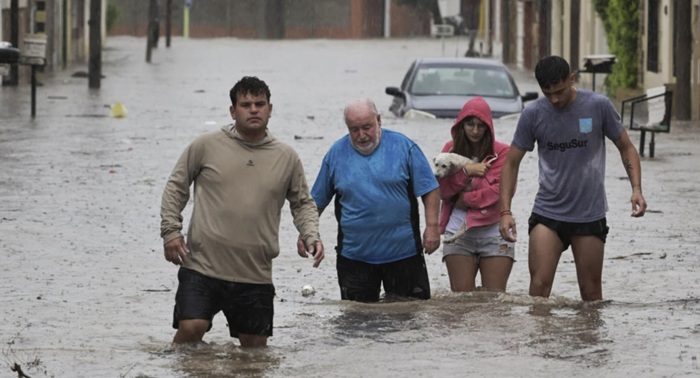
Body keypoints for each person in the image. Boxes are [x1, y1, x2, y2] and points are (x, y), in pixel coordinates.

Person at [160, 76, 324, 348]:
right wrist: (170, 232)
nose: (254, 109)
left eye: (260, 104)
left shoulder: (286, 157)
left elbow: (302, 203)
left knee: (254, 354)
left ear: (270, 109)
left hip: (254, 273)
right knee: (191, 329)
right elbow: (176, 187)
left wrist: (311, 235)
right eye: (246, 104)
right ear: (233, 111)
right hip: (203, 266)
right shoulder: (205, 146)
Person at [499, 56, 647, 301]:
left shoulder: (598, 105)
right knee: (538, 290)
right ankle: (539, 340)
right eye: (548, 94)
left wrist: (637, 188)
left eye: (560, 91)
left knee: (591, 294)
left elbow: (626, 147)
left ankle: (588, 339)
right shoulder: (533, 114)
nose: (555, 99)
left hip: (589, 214)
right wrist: (505, 211)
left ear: (571, 79)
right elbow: (511, 162)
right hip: (548, 213)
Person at [303, 99, 440, 302]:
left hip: (404, 254)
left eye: (367, 127)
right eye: (354, 129)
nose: (361, 135)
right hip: (354, 258)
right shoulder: (335, 154)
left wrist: (432, 227)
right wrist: (308, 234)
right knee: (357, 323)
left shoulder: (405, 147)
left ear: (379, 120)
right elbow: (316, 202)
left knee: (410, 321)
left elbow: (430, 189)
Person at [437, 96, 515, 292]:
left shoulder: (503, 152)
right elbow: (442, 190)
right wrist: (466, 172)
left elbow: (500, 192)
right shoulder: (449, 150)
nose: (475, 131)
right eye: (470, 124)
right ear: (461, 125)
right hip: (458, 233)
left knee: (494, 304)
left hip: (495, 232)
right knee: (462, 305)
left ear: (489, 127)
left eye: (481, 126)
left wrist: (463, 199)